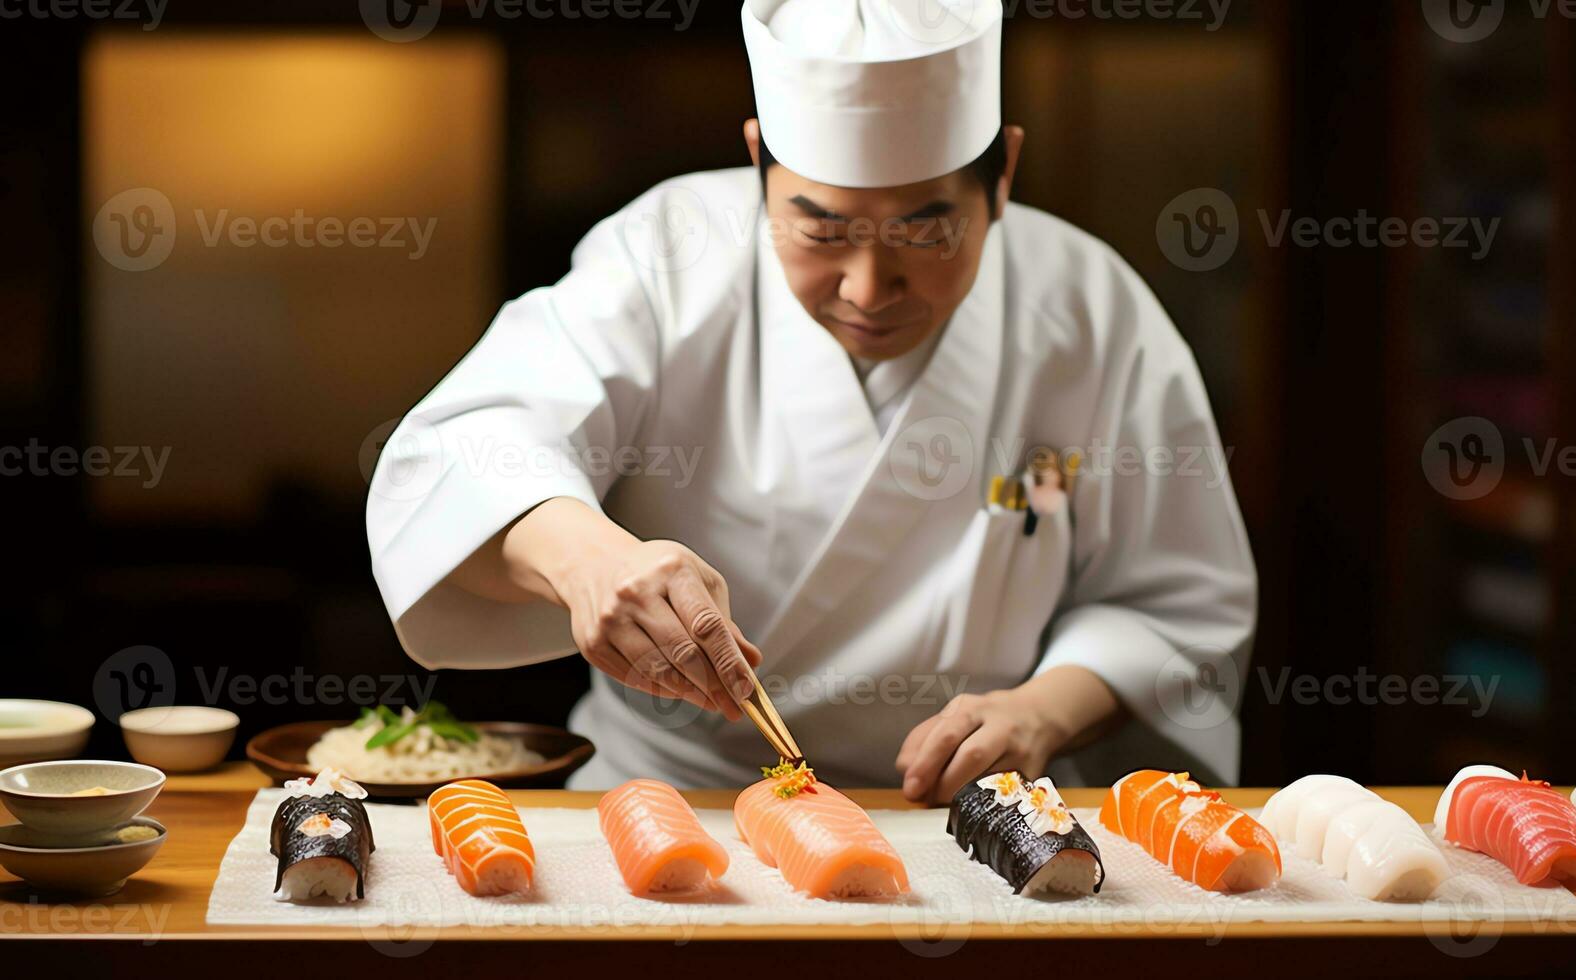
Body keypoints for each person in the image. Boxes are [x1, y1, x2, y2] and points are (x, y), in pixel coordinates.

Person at [366, 0, 1256, 802]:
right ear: (758, 159)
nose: (869, 288)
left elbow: (1172, 604)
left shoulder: (1087, 309)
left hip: (973, 811)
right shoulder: (666, 254)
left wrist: (1040, 713)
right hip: (672, 799)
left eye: (925, 228)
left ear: (1004, 173)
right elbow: (464, 449)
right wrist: (588, 559)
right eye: (821, 229)